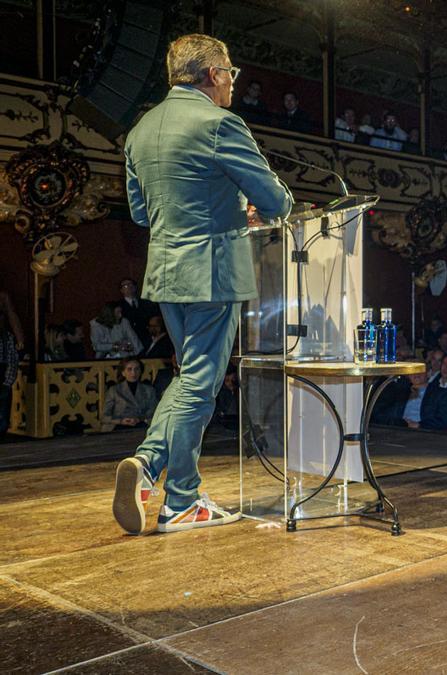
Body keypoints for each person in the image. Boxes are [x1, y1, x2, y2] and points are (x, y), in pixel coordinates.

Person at [114, 34, 294, 535]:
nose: (234, 82)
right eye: (231, 73)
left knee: (189, 375)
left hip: (166, 274)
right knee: (201, 382)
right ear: (214, 74)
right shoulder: (220, 124)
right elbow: (277, 202)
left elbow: (140, 211)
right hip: (212, 269)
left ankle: (150, 465)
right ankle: (181, 500)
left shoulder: (140, 130)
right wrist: (245, 208)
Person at [102, 358, 159, 432]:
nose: (133, 373)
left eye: (137, 369)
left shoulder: (149, 390)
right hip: (119, 427)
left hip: (141, 426)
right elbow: (104, 416)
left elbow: (154, 412)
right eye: (129, 369)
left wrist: (140, 419)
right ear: (123, 372)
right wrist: (121, 421)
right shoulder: (114, 390)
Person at [420, 354, 447, 430]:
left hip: (443, 431)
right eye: (444, 364)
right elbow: (424, 408)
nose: (446, 368)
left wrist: (421, 425)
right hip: (425, 426)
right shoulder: (433, 385)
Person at [0, 312, 17, 439]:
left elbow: (12, 360)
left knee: (3, 410)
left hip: (3, 375)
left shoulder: (7, 337)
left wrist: (8, 381)